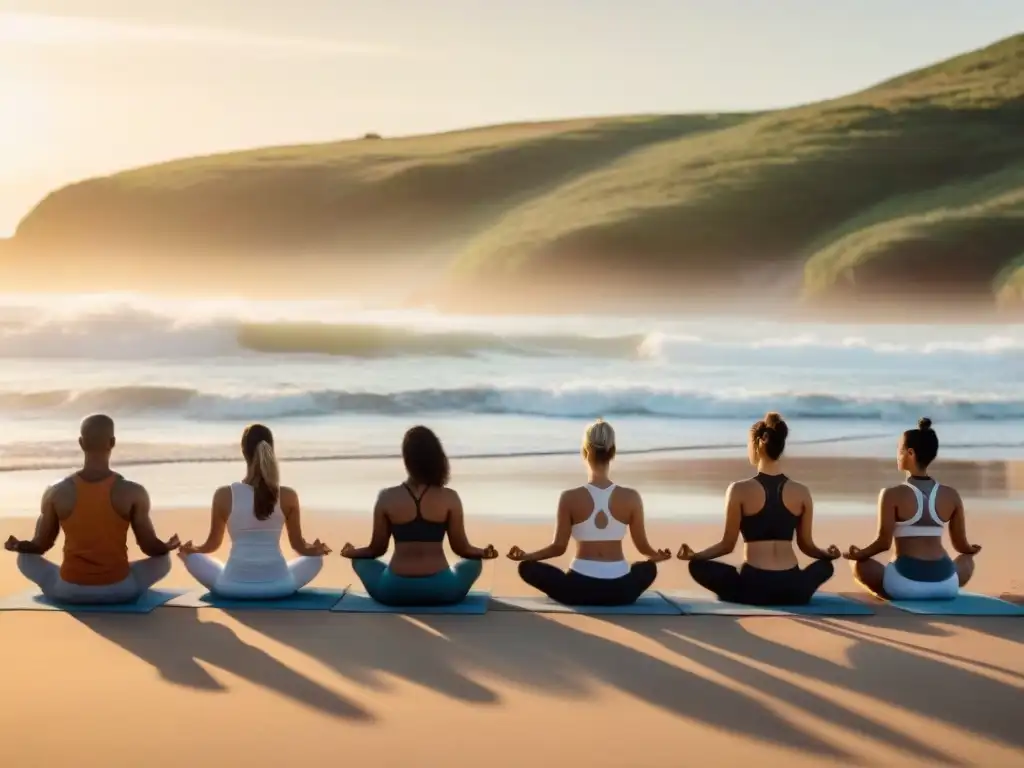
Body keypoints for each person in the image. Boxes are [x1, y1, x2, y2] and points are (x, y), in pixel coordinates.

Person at [4, 414, 179, 604]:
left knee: (25, 559)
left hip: (69, 590)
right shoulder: (132, 491)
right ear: (112, 442)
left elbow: (40, 546)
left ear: (81, 443)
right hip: (120, 590)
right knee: (163, 561)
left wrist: (20, 546)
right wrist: (166, 547)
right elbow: (150, 548)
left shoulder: (56, 491)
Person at [677, 412, 840, 605]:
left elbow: (727, 545)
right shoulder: (802, 492)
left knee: (698, 567)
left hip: (754, 588)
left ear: (757, 444)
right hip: (794, 589)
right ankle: (795, 588)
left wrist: (696, 556)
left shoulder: (738, 490)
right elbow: (807, 546)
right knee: (825, 567)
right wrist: (827, 555)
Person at [507, 419, 672, 606]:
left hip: (579, 589)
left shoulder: (569, 497)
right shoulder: (631, 497)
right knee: (648, 569)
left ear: (584, 452)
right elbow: (643, 548)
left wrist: (526, 556)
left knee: (527, 568)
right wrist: (657, 556)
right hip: (621, 591)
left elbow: (558, 548)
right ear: (613, 452)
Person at [340, 425, 497, 606]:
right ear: (437, 458)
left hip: (394, 590)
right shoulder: (449, 497)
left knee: (360, 561)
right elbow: (462, 548)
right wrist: (483, 552)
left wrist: (353, 552)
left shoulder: (387, 497)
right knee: (473, 562)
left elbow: (376, 549)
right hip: (443, 589)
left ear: (406, 459)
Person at [178, 424, 331, 599]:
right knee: (316, 560)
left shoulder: (224, 495)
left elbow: (212, 545)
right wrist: (316, 550)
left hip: (231, 587)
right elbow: (299, 546)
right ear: (271, 450)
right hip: (280, 587)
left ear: (244, 453)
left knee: (191, 558)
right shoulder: (288, 495)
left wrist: (192, 550)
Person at [844, 418, 980, 600]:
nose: (897, 455)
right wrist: (972, 550)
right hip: (946, 585)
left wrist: (859, 554)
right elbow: (961, 546)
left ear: (910, 453)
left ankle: (888, 592)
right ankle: (935, 590)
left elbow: (883, 543)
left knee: (858, 564)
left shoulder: (891, 494)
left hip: (906, 585)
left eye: (898, 450)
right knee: (966, 560)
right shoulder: (951, 495)